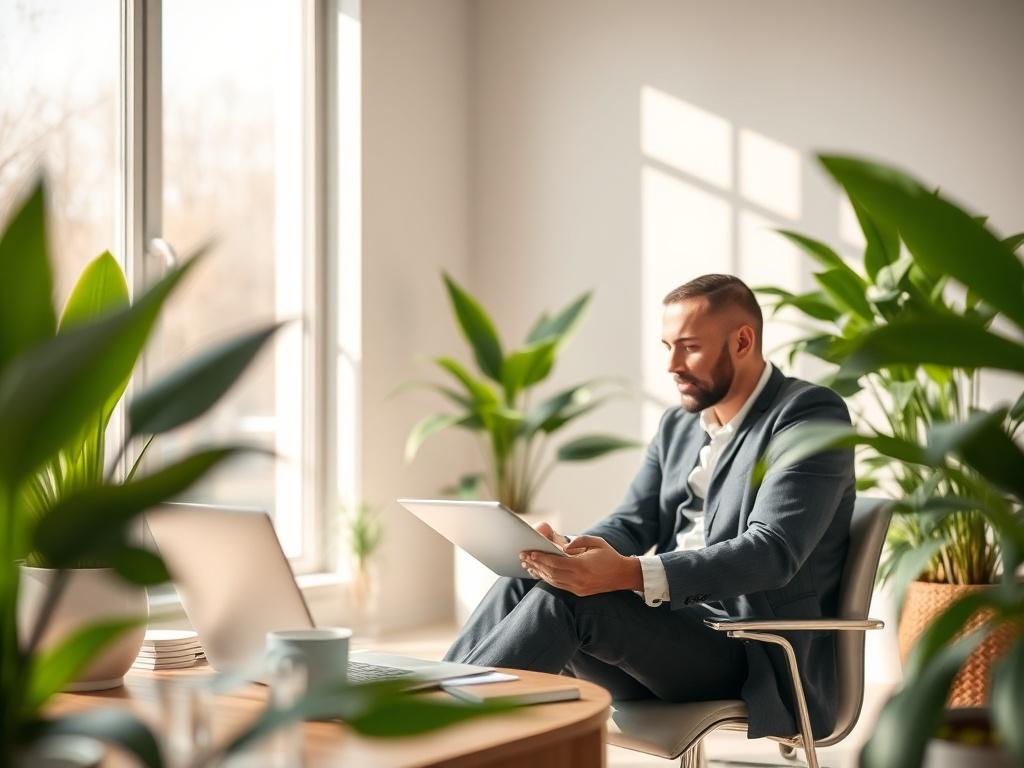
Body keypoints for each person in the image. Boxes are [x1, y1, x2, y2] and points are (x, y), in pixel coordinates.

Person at [443, 274, 855, 740]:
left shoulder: (807, 415)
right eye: (667, 347)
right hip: (670, 636)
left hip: (752, 650)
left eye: (689, 347)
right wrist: (571, 553)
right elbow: (633, 521)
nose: (672, 365)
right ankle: (429, 707)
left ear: (743, 341)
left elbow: (772, 550)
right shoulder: (680, 424)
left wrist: (625, 574)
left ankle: (439, 736)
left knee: (572, 602)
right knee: (530, 576)